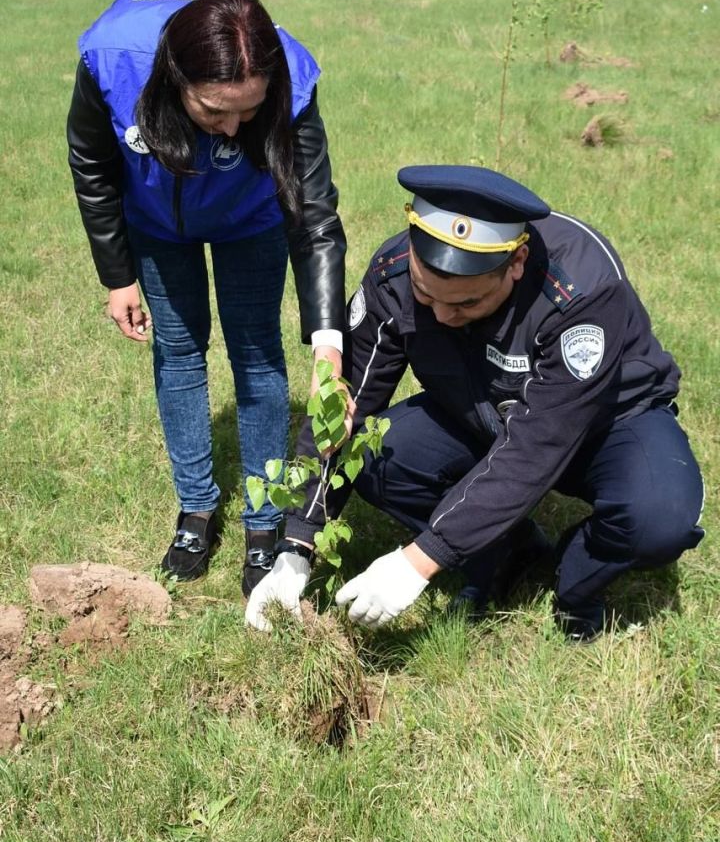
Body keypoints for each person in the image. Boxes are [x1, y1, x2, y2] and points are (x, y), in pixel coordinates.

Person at [246, 164, 704, 641]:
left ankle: (574, 585)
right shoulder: (395, 274)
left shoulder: (581, 292)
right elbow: (342, 408)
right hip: (479, 414)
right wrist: (296, 543)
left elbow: (536, 448)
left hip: (606, 424)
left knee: (659, 519)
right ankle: (508, 553)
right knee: (378, 456)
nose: (442, 315)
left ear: (517, 262)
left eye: (466, 304)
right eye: (426, 295)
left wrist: (418, 562)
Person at [67, 0, 348, 595]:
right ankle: (196, 508)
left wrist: (328, 345)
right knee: (177, 348)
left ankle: (264, 519)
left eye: (249, 111)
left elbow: (316, 215)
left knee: (257, 353)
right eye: (214, 110)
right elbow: (91, 164)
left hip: (252, 219)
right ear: (173, 78)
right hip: (156, 224)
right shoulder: (112, 57)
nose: (232, 126)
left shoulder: (291, 79)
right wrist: (117, 275)